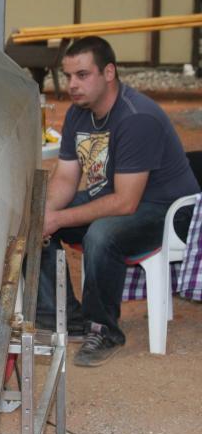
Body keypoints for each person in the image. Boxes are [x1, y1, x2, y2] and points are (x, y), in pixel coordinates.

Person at [36, 36, 200, 367]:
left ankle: (104, 330)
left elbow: (125, 203)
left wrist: (58, 219)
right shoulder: (78, 114)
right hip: (116, 199)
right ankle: (62, 316)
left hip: (169, 212)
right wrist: (45, 216)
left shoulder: (137, 118)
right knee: (32, 219)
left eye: (82, 75)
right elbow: (66, 177)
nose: (72, 85)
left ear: (108, 72)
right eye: (68, 76)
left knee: (102, 233)